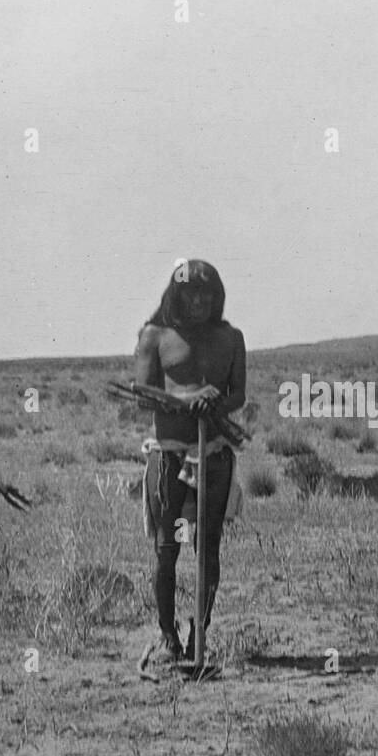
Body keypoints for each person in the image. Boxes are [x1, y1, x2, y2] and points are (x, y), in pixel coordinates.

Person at [134, 261, 246, 667]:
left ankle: (200, 633)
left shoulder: (230, 337)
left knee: (207, 548)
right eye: (190, 294)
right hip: (168, 453)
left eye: (207, 294)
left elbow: (238, 395)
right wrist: (183, 402)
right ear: (175, 295)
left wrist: (215, 399)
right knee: (167, 549)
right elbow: (143, 393)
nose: (199, 301)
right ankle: (168, 636)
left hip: (212, 453)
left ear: (217, 297)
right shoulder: (155, 335)